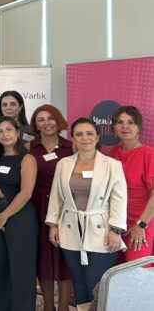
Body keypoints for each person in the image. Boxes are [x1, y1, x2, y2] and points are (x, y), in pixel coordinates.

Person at [46, 118, 127, 310]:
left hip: (101, 229)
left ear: (97, 137)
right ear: (73, 138)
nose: (85, 138)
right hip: (70, 227)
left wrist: (115, 229)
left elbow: (119, 199)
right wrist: (53, 224)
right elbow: (56, 196)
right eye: (79, 134)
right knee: (79, 278)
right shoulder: (64, 164)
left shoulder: (112, 164)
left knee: (95, 279)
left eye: (90, 133)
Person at [0, 116, 38, 311]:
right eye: (0, 131)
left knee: (21, 269)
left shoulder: (27, 158)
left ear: (17, 133)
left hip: (19, 218)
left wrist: (4, 216)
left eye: (9, 129)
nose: (5, 134)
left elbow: (26, 193)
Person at [28, 104, 74, 311]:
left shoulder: (71, 147)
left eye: (50, 118)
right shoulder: (28, 148)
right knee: (43, 258)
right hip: (36, 206)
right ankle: (48, 306)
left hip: (65, 206)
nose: (46, 123)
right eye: (41, 119)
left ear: (58, 121)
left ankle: (63, 306)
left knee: (65, 257)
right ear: (35, 125)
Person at [107, 106, 154, 263]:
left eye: (131, 122)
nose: (125, 126)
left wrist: (141, 225)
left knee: (136, 271)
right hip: (115, 224)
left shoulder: (149, 154)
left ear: (139, 128)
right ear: (114, 128)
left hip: (141, 223)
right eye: (120, 122)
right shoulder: (111, 155)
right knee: (114, 272)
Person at [0, 90, 31, 158]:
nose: (8, 108)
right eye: (4, 105)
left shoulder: (30, 130)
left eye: (13, 104)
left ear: (20, 107)